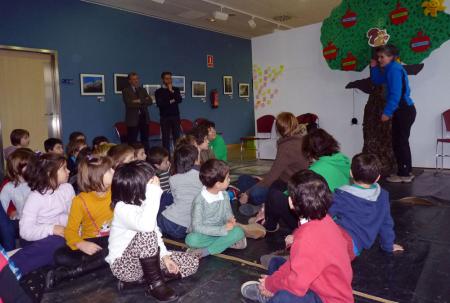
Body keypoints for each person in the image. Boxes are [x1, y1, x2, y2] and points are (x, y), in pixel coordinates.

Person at [241, 170, 354, 303]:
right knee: (276, 263)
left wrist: (270, 285)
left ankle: (270, 295)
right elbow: (349, 250)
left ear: (290, 202)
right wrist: (272, 282)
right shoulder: (324, 221)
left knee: (282, 298)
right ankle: (271, 290)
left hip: (326, 298)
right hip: (319, 283)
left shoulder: (307, 238)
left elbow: (296, 284)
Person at [106, 161, 199, 301]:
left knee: (192, 262)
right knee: (146, 233)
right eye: (150, 181)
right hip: (125, 266)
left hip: (146, 263)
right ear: (136, 187)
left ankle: (143, 281)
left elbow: (155, 233)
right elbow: (148, 229)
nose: (156, 181)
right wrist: (154, 192)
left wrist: (165, 257)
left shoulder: (144, 203)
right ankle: (155, 285)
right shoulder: (121, 208)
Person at [46, 156, 114, 288]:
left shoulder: (118, 190)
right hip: (91, 241)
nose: (113, 171)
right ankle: (99, 264)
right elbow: (70, 231)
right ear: (97, 176)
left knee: (118, 248)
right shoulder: (80, 201)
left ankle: (71, 273)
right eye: (109, 170)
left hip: (114, 239)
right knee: (60, 255)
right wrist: (81, 243)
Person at [329, 153, 404, 260]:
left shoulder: (341, 196)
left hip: (341, 242)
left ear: (351, 173)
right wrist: (388, 245)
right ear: (378, 177)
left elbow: (324, 215)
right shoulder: (382, 196)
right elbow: (386, 223)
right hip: (355, 248)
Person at [11, 153, 75, 276]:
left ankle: (45, 267)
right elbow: (25, 231)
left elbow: (72, 215)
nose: (68, 171)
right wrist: (52, 229)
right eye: (64, 168)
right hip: (36, 237)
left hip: (62, 233)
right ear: (49, 172)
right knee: (56, 244)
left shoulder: (67, 188)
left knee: (66, 244)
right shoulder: (35, 197)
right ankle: (10, 268)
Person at [238, 112, 308, 217]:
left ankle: (263, 206)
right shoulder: (302, 140)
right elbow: (279, 170)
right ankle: (264, 206)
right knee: (246, 180)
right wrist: (264, 178)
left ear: (279, 129)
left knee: (252, 192)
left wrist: (247, 193)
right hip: (286, 183)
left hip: (286, 187)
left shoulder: (286, 146)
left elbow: (272, 177)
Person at [370, 44, 416, 183]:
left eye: (382, 57)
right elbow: (377, 80)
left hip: (403, 110)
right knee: (399, 141)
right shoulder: (390, 68)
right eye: (378, 57)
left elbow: (396, 94)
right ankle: (405, 172)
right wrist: (373, 68)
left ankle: (405, 174)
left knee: (400, 142)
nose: (379, 59)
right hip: (401, 110)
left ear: (391, 57)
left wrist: (387, 112)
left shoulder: (394, 70)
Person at [185, 159, 246, 258]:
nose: (230, 180)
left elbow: (228, 213)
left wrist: (230, 219)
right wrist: (222, 229)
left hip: (222, 231)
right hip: (205, 234)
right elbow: (197, 227)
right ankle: (225, 244)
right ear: (218, 184)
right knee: (191, 239)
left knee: (238, 231)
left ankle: (205, 251)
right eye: (227, 178)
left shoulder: (225, 195)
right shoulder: (199, 201)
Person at [157, 145, 202, 239]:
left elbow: (175, 197)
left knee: (167, 196)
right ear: (195, 160)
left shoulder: (173, 178)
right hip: (180, 226)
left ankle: (157, 230)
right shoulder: (202, 177)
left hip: (164, 219)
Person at [0, 148, 35, 251]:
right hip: (22, 223)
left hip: (40, 222)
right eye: (30, 165)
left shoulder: (38, 182)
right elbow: (2, 210)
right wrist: (10, 212)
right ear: (16, 169)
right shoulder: (9, 187)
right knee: (7, 226)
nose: (33, 168)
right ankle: (9, 254)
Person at [122, 72, 152, 150]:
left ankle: (146, 156)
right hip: (132, 119)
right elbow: (129, 104)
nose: (136, 81)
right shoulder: (126, 91)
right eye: (134, 79)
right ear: (130, 81)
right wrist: (143, 101)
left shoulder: (143, 90)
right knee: (132, 141)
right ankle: (132, 158)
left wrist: (138, 101)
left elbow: (150, 101)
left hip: (144, 117)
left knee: (145, 139)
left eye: (137, 79)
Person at [155, 72, 183, 153]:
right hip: (165, 117)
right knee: (165, 138)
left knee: (177, 138)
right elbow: (160, 104)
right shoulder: (158, 91)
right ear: (163, 79)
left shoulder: (175, 90)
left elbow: (179, 100)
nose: (169, 80)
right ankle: (166, 157)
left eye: (170, 78)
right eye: (167, 78)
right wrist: (171, 101)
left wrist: (171, 91)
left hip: (175, 116)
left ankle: (178, 156)